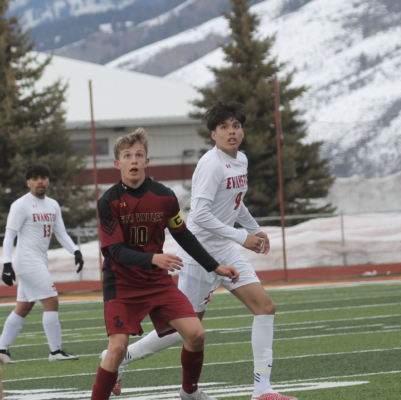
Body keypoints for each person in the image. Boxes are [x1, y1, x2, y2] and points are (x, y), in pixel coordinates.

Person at [102, 100, 298, 400]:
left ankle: (262, 390)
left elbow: (235, 202)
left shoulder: (241, 160)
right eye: (224, 127)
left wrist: (254, 228)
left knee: (265, 308)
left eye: (236, 126)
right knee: (184, 332)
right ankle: (121, 358)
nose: (231, 132)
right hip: (199, 255)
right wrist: (242, 237)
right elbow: (201, 215)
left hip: (226, 251)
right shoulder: (211, 165)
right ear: (213, 134)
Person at [91, 128, 239, 400]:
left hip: (157, 283)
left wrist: (215, 266)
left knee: (196, 334)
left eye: (139, 155)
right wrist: (153, 259)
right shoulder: (108, 202)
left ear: (147, 161)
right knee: (117, 349)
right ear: (117, 163)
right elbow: (114, 251)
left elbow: (183, 235)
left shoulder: (165, 197)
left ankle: (189, 393)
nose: (133, 160)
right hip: (122, 285)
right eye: (127, 156)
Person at [0, 164, 83, 364]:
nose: (40, 181)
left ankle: (1, 350)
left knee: (23, 307)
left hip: (39, 261)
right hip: (27, 262)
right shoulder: (21, 205)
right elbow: (9, 235)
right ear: (28, 182)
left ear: (48, 181)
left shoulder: (53, 205)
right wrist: (6, 264)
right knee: (52, 301)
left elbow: (60, 233)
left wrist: (76, 251)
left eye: (43, 177)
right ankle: (55, 352)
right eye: (35, 178)